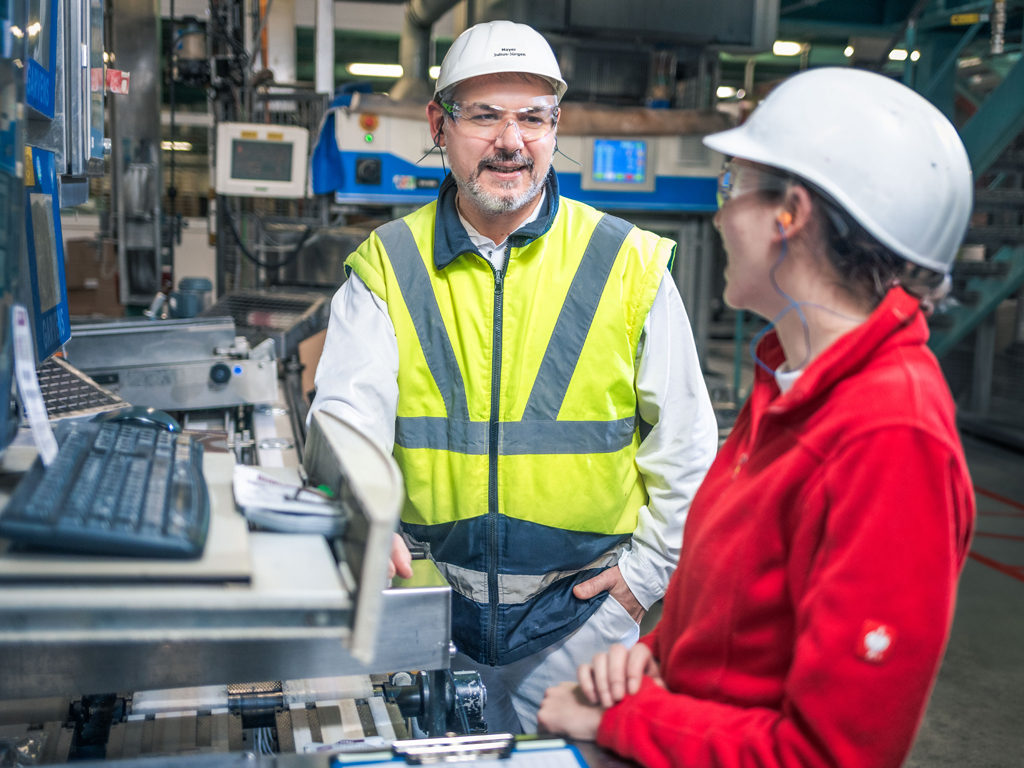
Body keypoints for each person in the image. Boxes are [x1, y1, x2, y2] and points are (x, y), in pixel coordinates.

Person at [537, 67, 977, 768]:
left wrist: (625, 719)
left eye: (730, 187)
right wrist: (645, 662)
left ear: (790, 214)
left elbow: (831, 754)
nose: (718, 215)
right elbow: (729, 621)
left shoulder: (891, 435)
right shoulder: (790, 384)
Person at [309, 20, 717, 732]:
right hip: (431, 613)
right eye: (485, 115)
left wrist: (645, 579)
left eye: (533, 118)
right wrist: (363, 522)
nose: (511, 141)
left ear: (555, 128)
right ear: (440, 124)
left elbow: (687, 445)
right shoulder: (388, 264)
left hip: (583, 623)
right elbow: (345, 421)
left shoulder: (628, 263)